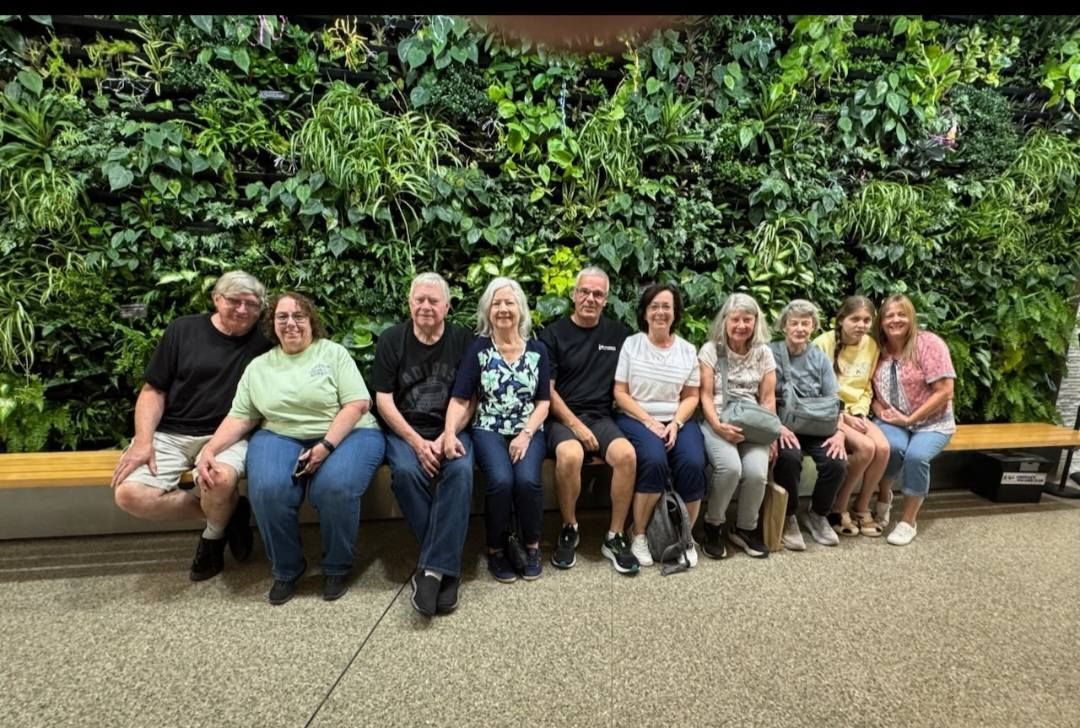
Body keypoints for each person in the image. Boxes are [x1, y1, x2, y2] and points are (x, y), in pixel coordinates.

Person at [196, 292, 385, 605]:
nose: (291, 323)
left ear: (311, 321)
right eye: (282, 317)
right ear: (272, 324)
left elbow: (357, 404)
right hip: (280, 435)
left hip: (349, 433)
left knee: (334, 488)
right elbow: (241, 417)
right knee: (269, 490)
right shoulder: (259, 367)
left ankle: (337, 566)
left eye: (299, 316)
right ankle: (286, 569)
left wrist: (325, 446)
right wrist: (210, 450)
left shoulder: (333, 354)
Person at [111, 270, 271, 582]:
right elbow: (153, 391)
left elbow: (257, 407)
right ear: (216, 299)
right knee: (130, 495)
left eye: (251, 304)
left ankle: (212, 537)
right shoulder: (183, 330)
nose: (242, 310)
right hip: (170, 433)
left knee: (220, 479)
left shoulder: (264, 342)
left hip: (227, 434)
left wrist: (212, 448)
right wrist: (143, 441)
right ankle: (230, 513)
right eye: (234, 301)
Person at [372, 272, 474, 617]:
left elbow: (470, 396)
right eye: (420, 300)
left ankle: (430, 571)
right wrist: (417, 443)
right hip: (405, 430)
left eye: (434, 300)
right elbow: (383, 400)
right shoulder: (391, 340)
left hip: (452, 428)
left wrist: (447, 435)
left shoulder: (462, 340)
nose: (426, 306)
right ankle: (447, 568)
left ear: (447, 306)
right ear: (410, 303)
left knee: (460, 471)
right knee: (404, 473)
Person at [444, 277, 550, 583]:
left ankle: (531, 545)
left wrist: (526, 434)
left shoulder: (538, 351)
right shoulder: (478, 350)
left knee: (528, 481)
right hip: (488, 427)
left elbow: (544, 401)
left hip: (528, 429)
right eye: (496, 303)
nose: (503, 309)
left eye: (509, 302)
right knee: (501, 481)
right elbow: (460, 397)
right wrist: (450, 432)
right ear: (488, 311)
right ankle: (495, 549)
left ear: (521, 309)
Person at [540, 266, 639, 575]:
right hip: (562, 417)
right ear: (574, 294)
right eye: (584, 292)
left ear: (605, 300)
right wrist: (575, 426)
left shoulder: (619, 335)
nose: (590, 299)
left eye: (598, 294)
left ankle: (614, 535)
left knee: (626, 456)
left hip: (602, 416)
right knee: (570, 455)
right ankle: (569, 527)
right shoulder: (553, 334)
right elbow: (548, 391)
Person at [614, 283, 706, 568]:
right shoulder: (632, 344)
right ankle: (638, 533)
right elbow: (620, 393)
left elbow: (691, 397)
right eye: (654, 306)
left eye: (666, 306)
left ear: (675, 312)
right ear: (645, 312)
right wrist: (649, 421)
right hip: (636, 416)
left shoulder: (687, 350)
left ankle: (685, 536)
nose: (660, 312)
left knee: (692, 462)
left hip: (676, 418)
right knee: (653, 460)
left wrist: (676, 423)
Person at [871, 294, 956, 546]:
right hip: (891, 419)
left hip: (932, 423)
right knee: (892, 448)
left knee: (916, 457)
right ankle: (884, 497)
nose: (895, 319)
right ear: (881, 321)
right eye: (889, 315)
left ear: (911, 317)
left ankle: (908, 521)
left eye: (901, 314)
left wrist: (910, 419)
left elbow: (945, 391)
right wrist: (880, 410)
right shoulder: (877, 348)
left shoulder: (929, 344)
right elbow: (867, 388)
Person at [698, 293, 777, 560]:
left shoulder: (764, 353)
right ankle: (714, 524)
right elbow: (705, 396)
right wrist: (718, 426)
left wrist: (771, 435)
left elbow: (767, 399)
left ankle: (745, 528)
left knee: (756, 473)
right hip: (718, 419)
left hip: (753, 424)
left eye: (747, 319)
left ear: (756, 322)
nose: (741, 325)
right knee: (730, 468)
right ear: (725, 321)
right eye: (736, 319)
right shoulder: (711, 350)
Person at [770, 299, 847, 550]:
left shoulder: (821, 359)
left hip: (817, 425)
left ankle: (817, 514)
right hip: (784, 424)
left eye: (806, 323)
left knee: (836, 461)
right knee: (789, 458)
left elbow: (834, 401)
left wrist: (840, 434)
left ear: (813, 326)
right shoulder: (771, 353)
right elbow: (763, 395)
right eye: (794, 323)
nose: (800, 328)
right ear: (784, 327)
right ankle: (789, 515)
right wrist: (775, 427)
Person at [813, 296, 892, 538]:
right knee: (866, 448)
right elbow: (816, 391)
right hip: (831, 414)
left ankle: (861, 506)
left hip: (857, 412)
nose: (861, 324)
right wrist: (845, 416)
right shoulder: (822, 344)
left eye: (867, 320)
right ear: (841, 320)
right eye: (855, 319)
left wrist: (859, 411)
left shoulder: (871, 346)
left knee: (883, 448)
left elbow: (866, 387)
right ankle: (838, 506)